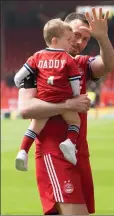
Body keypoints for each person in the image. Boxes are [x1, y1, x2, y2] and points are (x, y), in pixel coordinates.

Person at [16, 8, 114, 215]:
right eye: (75, 35)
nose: (78, 42)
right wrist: (67, 105)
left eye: (85, 39)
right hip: (54, 153)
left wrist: (102, 37)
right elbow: (26, 109)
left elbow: (109, 65)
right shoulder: (39, 63)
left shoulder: (81, 63)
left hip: (79, 152)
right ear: (62, 31)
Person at [14, 19, 81, 171]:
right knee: (75, 122)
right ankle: (70, 143)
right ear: (55, 40)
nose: (70, 43)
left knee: (34, 127)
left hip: (43, 100)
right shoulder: (67, 59)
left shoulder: (37, 56)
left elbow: (20, 76)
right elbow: (75, 81)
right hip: (63, 99)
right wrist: (75, 96)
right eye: (68, 40)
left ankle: (23, 152)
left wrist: (19, 83)